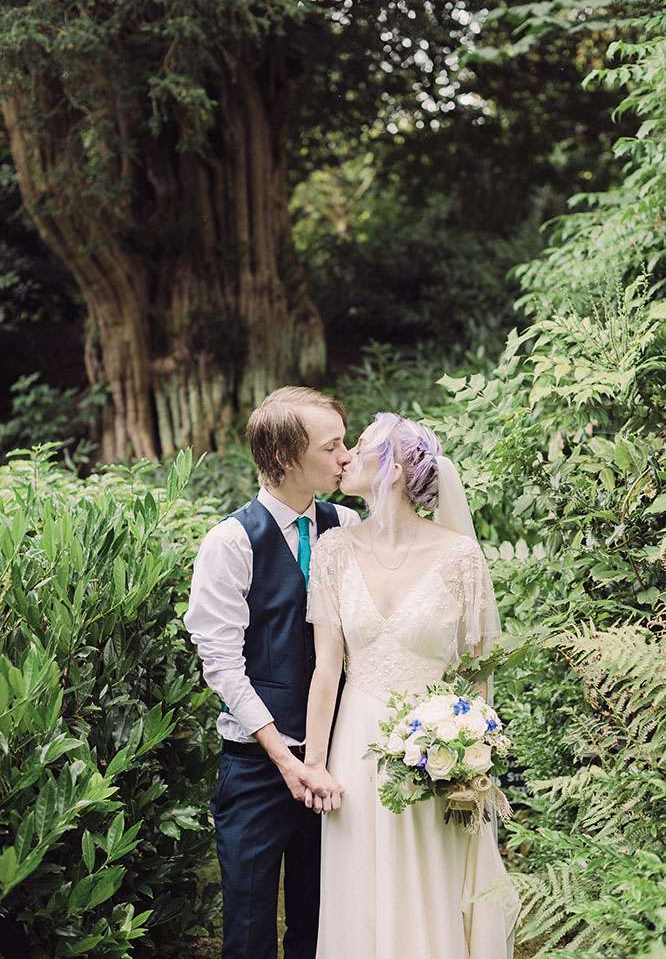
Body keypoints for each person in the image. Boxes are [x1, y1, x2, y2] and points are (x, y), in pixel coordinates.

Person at [302, 412, 521, 959]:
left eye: (360, 446)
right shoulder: (333, 550)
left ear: (394, 470)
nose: (346, 456)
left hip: (433, 750)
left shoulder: (459, 556)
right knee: (359, 885)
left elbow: (476, 674)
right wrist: (315, 763)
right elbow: (326, 667)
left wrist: (470, 761)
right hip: (355, 743)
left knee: (429, 879)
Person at [184, 386, 358, 959]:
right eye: (331, 446)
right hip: (257, 768)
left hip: (337, 761)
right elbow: (223, 666)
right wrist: (285, 758)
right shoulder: (230, 542)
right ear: (284, 458)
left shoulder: (346, 525)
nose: (345, 457)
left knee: (322, 922)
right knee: (250, 927)